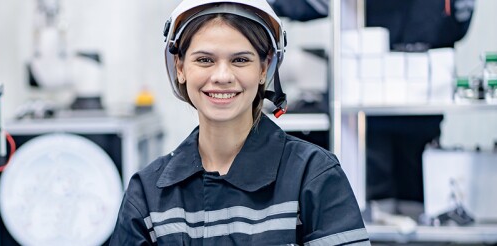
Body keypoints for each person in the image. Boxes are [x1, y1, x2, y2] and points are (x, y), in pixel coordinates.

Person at [108, 0, 369, 245]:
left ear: (264, 68)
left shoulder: (313, 175)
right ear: (180, 67)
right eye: (205, 60)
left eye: (240, 60)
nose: (222, 76)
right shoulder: (148, 194)